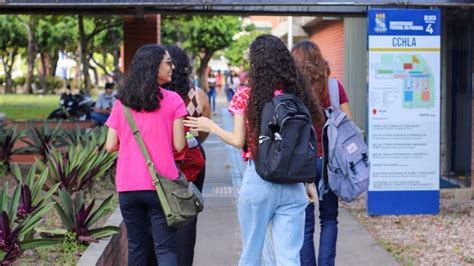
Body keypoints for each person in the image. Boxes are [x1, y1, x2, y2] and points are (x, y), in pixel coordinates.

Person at [184, 34, 324, 266]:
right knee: (289, 258)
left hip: (259, 180)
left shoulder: (245, 95)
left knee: (251, 254)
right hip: (294, 183)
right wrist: (309, 184)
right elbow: (301, 143)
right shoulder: (298, 95)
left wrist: (211, 126)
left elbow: (238, 141)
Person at [105, 44, 186, 266]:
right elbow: (179, 145)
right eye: (168, 63)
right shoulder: (174, 100)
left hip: (128, 186)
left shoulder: (122, 101)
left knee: (137, 247)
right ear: (153, 66)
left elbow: (110, 144)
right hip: (162, 186)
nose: (173, 67)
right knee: (166, 248)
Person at [291, 40, 352, 266]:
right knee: (329, 218)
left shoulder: (291, 89)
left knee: (304, 223)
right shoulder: (334, 87)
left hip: (301, 164)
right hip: (329, 163)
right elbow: (349, 123)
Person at [162, 45, 211, 266]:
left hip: (161, 162)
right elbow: (203, 133)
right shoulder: (196, 95)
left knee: (159, 217)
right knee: (187, 219)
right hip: (191, 163)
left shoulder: (154, 95)